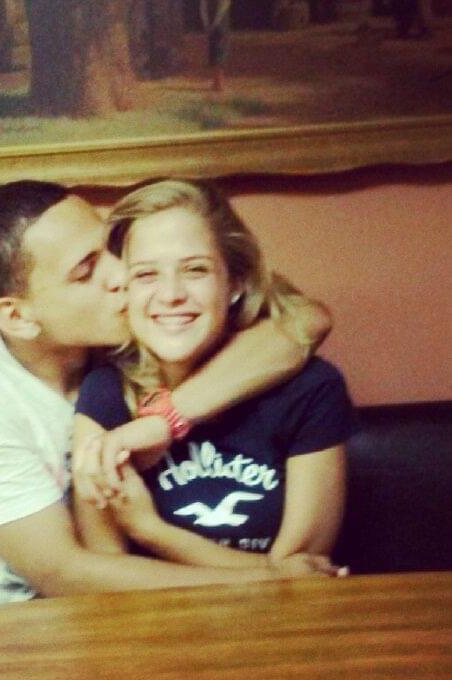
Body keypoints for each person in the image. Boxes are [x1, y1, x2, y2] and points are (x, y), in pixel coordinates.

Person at [0, 180, 336, 621]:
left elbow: (304, 321)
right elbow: (63, 573)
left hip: (65, 630)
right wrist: (273, 580)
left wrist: (165, 419)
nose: (120, 276)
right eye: (86, 271)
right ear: (19, 317)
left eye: (110, 249)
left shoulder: (120, 341)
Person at [73, 180, 356, 571]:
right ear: (126, 289)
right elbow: (110, 573)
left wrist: (151, 531)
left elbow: (303, 572)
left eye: (195, 270)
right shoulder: (107, 391)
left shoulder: (311, 389)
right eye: (146, 275)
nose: (170, 294)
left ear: (234, 283)